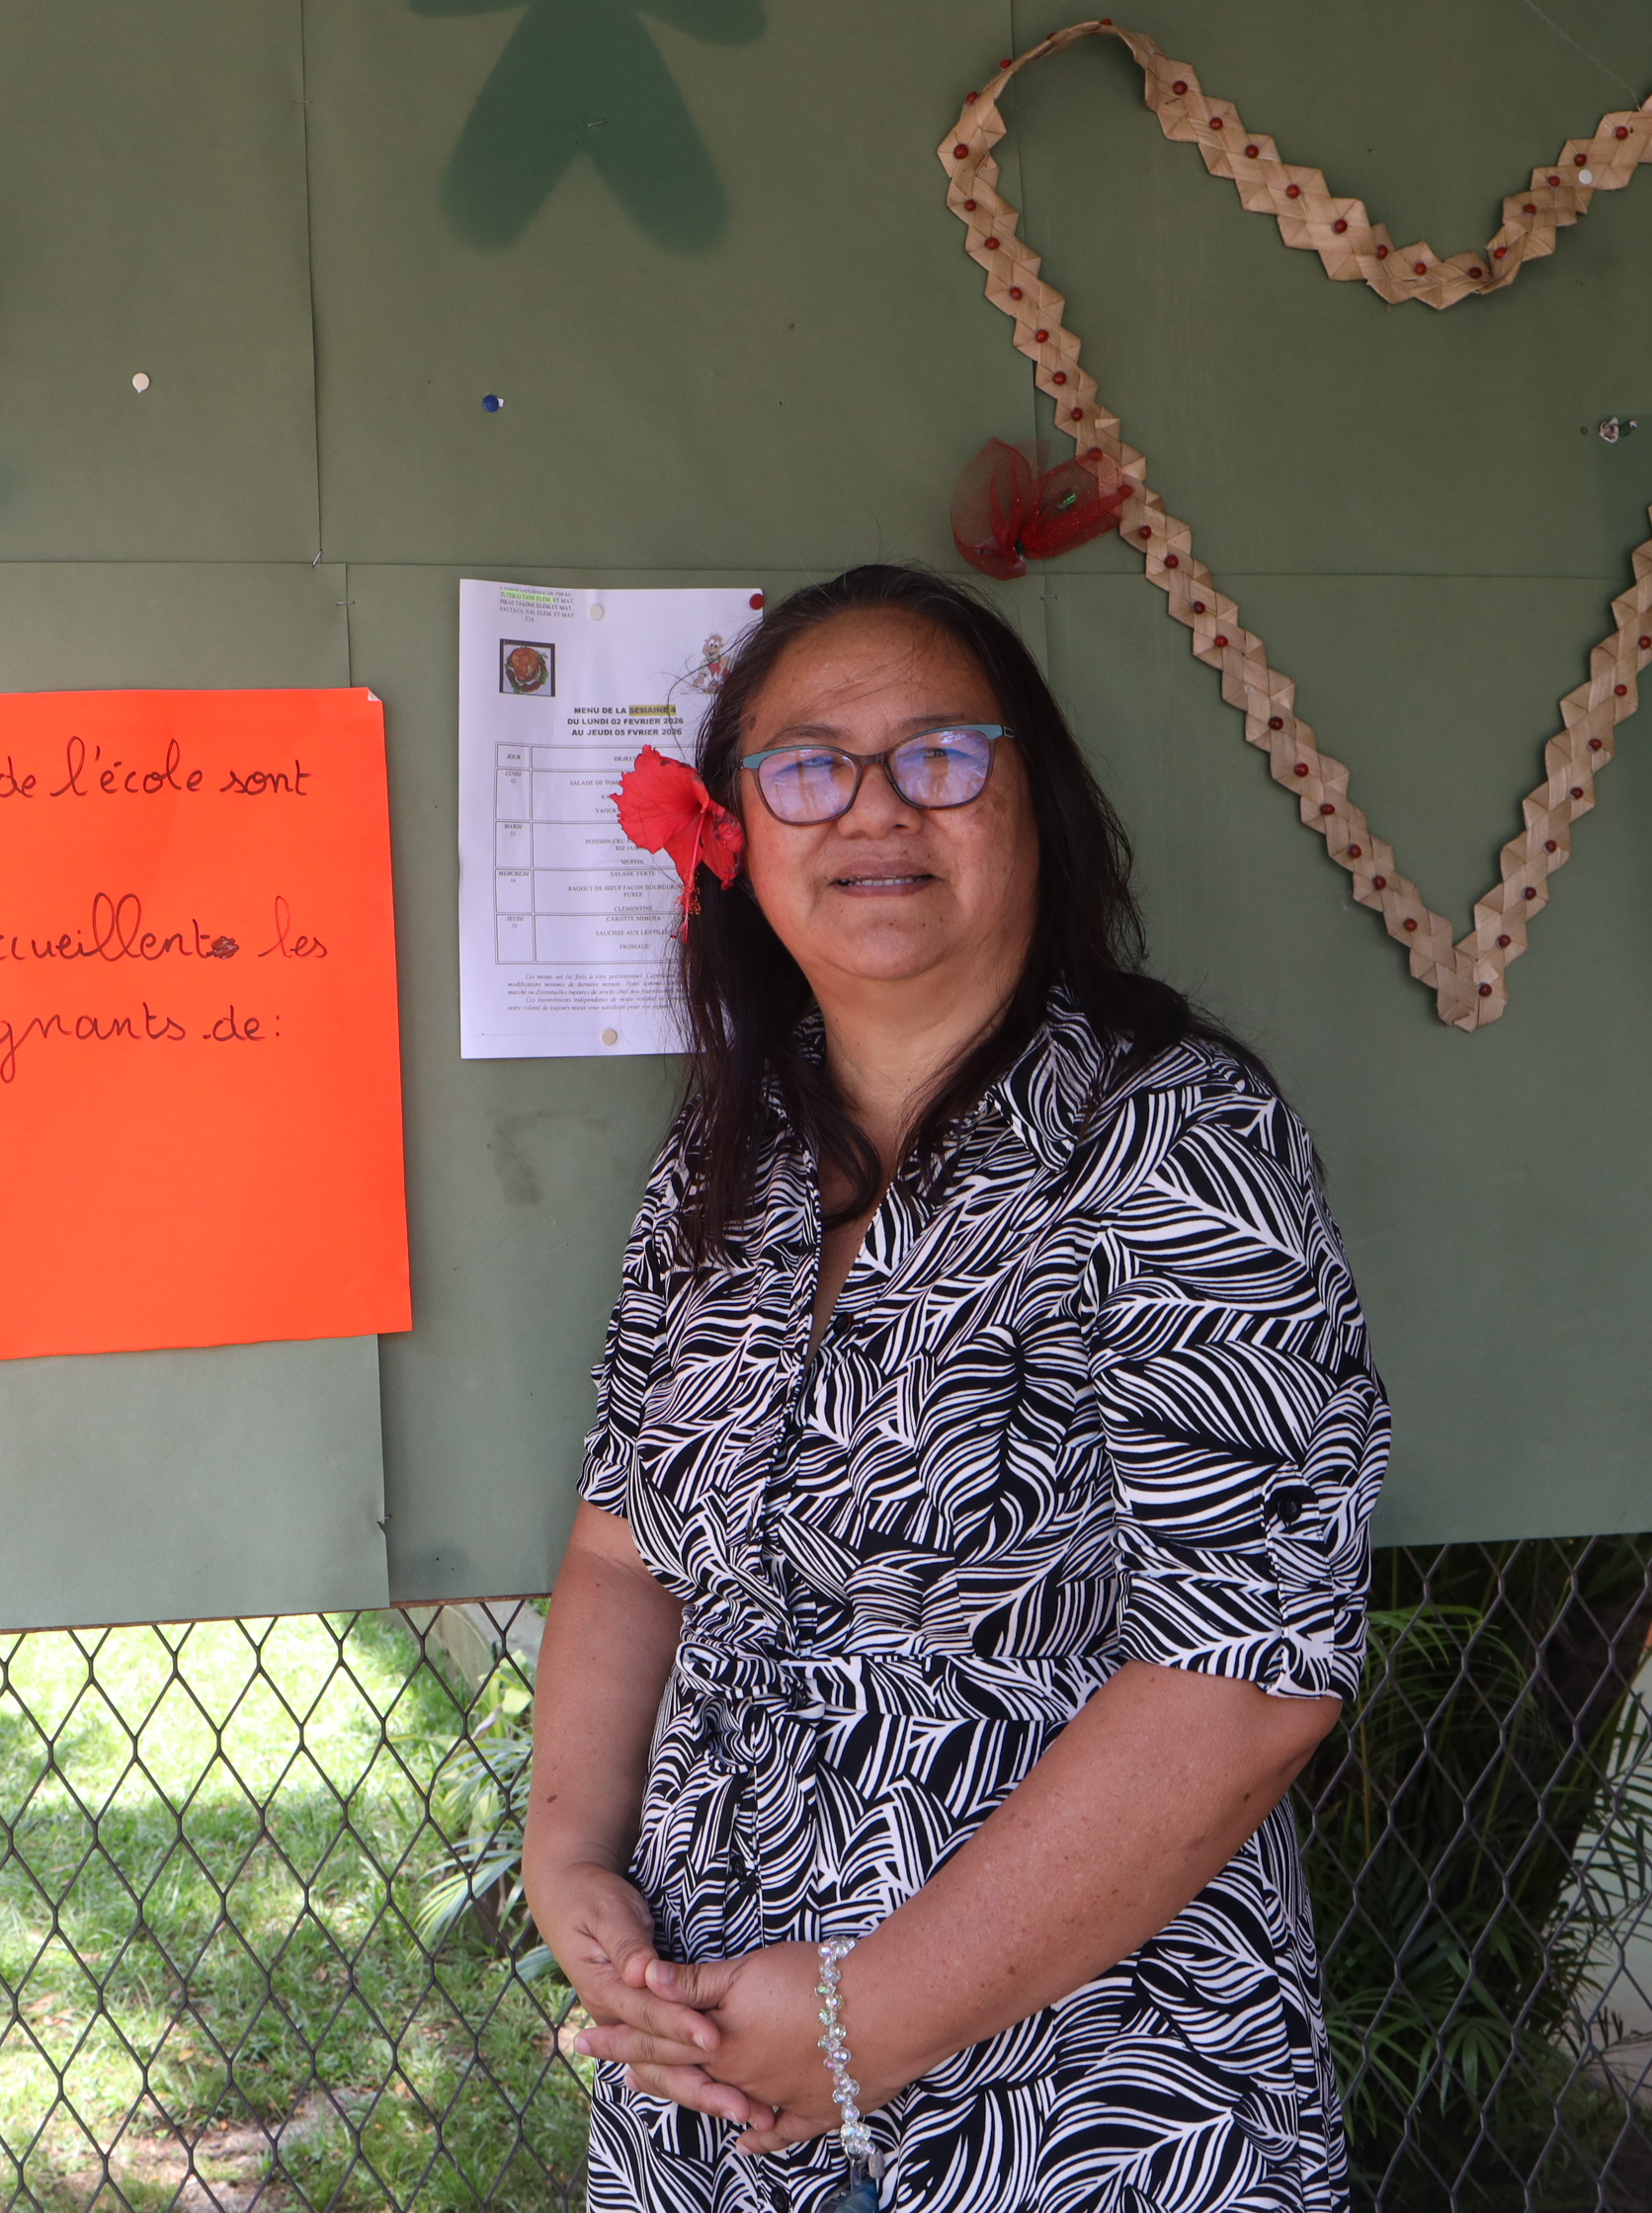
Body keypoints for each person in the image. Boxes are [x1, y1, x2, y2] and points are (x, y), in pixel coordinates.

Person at [527, 564, 1387, 2212]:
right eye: (807, 764)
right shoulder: (729, 1159)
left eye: (941, 755)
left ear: (1032, 807)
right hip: (714, 2085)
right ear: (741, 835)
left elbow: (1248, 1678)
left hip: (1091, 2097)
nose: (874, 808)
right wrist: (572, 1866)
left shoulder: (1173, 1140)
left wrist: (865, 2021)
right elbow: (626, 1550)